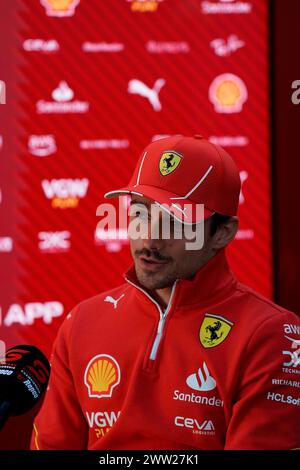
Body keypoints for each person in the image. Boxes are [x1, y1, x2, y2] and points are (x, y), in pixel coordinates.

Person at [31, 135, 300, 450]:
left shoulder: (272, 335)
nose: (149, 240)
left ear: (222, 233)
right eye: (140, 213)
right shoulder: (82, 322)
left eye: (175, 221)